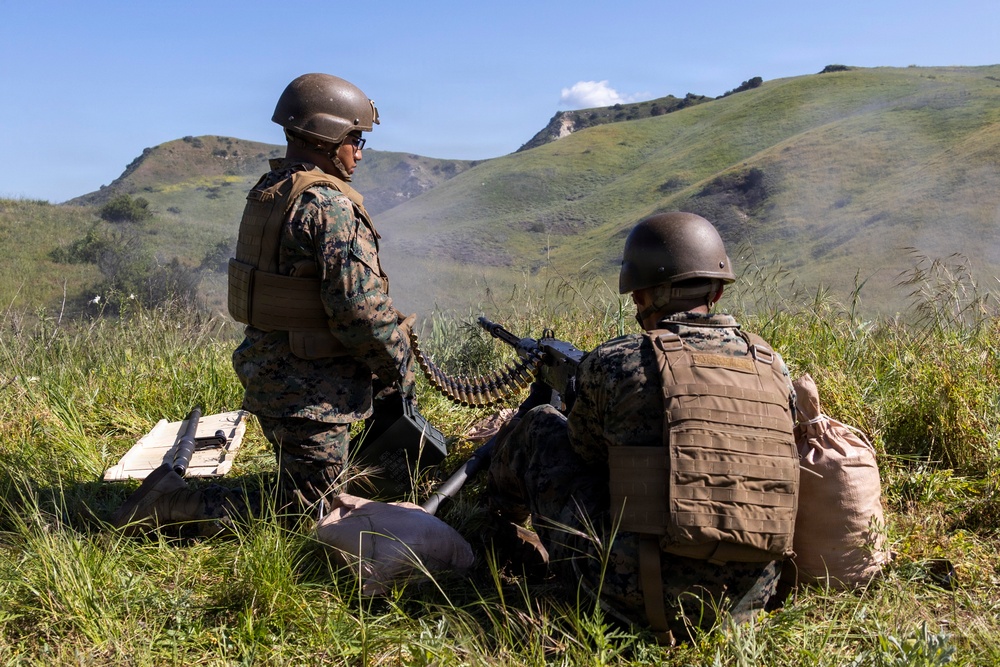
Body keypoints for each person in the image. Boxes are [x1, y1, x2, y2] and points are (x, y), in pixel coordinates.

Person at [112, 73, 416, 534]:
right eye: (356, 138)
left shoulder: (272, 190)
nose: (359, 151)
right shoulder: (327, 205)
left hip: (276, 373)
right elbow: (360, 312)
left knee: (332, 487)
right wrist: (402, 363)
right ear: (328, 135)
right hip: (313, 393)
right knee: (308, 514)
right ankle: (172, 501)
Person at [485, 212, 798, 643]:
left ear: (641, 295)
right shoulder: (772, 366)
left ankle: (495, 530)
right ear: (719, 290)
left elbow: (586, 452)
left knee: (540, 425)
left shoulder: (619, 359)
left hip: (639, 596)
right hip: (745, 601)